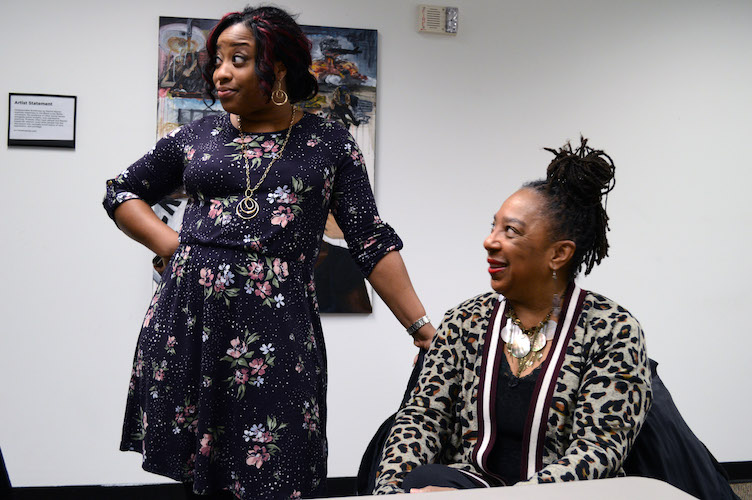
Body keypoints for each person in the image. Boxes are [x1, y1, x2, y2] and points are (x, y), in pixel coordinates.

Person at [103, 6, 435, 499]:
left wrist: (421, 328)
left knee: (275, 467)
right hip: (191, 323)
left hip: (276, 330)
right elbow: (122, 191)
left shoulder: (328, 144)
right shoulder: (196, 136)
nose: (220, 72)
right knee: (201, 476)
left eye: (238, 59)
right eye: (218, 59)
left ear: (277, 68)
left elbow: (370, 239)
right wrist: (175, 247)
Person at [374, 138, 652, 493]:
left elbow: (598, 451)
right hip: (470, 483)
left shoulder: (612, 329)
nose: (490, 241)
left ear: (559, 254)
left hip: (562, 493)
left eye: (511, 231)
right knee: (422, 482)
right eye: (493, 227)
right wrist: (390, 493)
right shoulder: (465, 320)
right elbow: (422, 419)